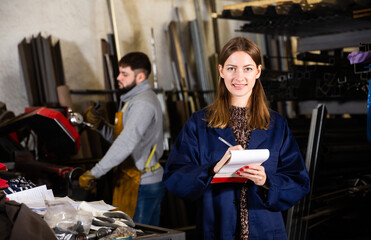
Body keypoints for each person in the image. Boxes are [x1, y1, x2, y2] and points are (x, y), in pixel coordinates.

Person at [162, 37, 310, 239]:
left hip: (266, 231)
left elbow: (298, 181)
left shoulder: (277, 125)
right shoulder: (199, 123)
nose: (239, 77)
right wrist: (213, 168)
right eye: (232, 68)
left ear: (258, 72)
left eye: (247, 69)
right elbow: (173, 178)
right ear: (221, 71)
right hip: (217, 230)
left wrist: (267, 181)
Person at [79, 52, 165, 226]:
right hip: (133, 180)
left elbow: (126, 143)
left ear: (140, 77)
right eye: (119, 72)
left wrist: (94, 172)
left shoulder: (143, 103)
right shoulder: (131, 99)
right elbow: (124, 138)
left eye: (124, 74)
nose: (118, 78)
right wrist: (100, 125)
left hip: (143, 183)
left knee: (138, 236)